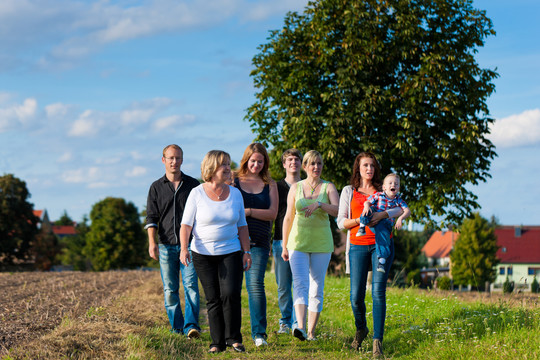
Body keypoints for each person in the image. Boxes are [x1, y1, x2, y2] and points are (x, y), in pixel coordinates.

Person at [179, 150, 251, 354]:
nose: (228, 168)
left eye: (228, 164)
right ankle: (216, 342)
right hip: (202, 253)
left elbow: (242, 225)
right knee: (213, 298)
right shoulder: (197, 193)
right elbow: (186, 225)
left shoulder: (235, 194)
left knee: (230, 293)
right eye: (223, 165)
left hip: (231, 251)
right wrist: (184, 248)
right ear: (211, 168)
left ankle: (234, 339)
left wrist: (247, 252)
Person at [336, 152, 403, 358]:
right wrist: (361, 220)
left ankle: (377, 342)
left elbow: (400, 209)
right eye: (365, 165)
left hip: (381, 246)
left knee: (378, 293)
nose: (369, 169)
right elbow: (341, 223)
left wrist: (381, 215)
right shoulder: (350, 191)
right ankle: (361, 328)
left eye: (372, 166)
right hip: (357, 245)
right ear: (358, 167)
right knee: (356, 297)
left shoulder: (385, 189)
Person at [281, 150, 339, 341]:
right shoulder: (295, 187)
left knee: (316, 287)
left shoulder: (328, 187)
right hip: (297, 242)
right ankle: (300, 328)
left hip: (322, 243)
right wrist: (284, 245)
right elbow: (288, 217)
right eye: (312, 164)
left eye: (319, 164)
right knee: (300, 284)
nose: (316, 167)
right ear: (305, 166)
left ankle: (312, 332)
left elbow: (338, 211)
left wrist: (320, 205)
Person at [145, 144, 201, 339]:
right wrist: (152, 243)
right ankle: (177, 327)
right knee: (170, 289)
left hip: (191, 245)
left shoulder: (194, 185)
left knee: (191, 286)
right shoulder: (156, 187)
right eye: (170, 158)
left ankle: (191, 326)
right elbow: (151, 218)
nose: (174, 162)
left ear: (182, 160)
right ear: (163, 160)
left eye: (177, 158)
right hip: (166, 245)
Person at [234, 143, 278, 347]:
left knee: (255, 286)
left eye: (260, 161)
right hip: (232, 240)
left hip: (259, 242)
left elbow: (272, 213)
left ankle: (259, 334)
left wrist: (249, 211)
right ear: (246, 160)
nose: (256, 164)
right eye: (253, 160)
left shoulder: (270, 183)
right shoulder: (233, 180)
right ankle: (230, 333)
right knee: (231, 288)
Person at [272, 149, 302, 335]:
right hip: (280, 240)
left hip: (303, 241)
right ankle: (285, 321)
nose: (293, 162)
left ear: (301, 163)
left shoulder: (307, 186)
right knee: (283, 285)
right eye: (289, 159)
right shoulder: (276, 187)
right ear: (284, 164)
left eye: (297, 159)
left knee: (301, 283)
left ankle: (298, 321)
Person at [357, 173, 411, 273]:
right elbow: (367, 202)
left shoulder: (398, 200)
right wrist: (367, 206)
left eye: (396, 184)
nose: (393, 185)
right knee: (370, 208)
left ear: (399, 188)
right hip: (372, 220)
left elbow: (407, 211)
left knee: (383, 237)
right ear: (384, 187)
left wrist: (400, 218)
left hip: (384, 224)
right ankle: (362, 226)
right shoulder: (378, 195)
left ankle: (381, 261)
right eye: (390, 183)